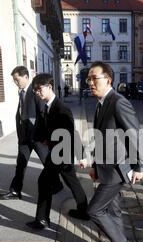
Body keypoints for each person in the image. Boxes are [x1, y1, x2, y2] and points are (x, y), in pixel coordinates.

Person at [86, 61, 143, 242]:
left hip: (116, 169)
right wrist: (95, 165)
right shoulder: (101, 103)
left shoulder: (118, 101)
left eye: (95, 78)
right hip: (104, 167)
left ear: (108, 79)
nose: (90, 83)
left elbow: (134, 134)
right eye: (89, 79)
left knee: (93, 210)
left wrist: (140, 166)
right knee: (113, 211)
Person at [26, 73, 89, 230]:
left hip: (60, 154)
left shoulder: (61, 109)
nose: (37, 92)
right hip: (56, 152)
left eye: (39, 89)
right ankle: (83, 211)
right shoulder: (47, 106)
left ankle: (42, 220)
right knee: (72, 182)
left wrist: (81, 156)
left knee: (44, 182)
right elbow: (43, 127)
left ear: (49, 87)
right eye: (35, 90)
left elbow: (72, 133)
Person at [0, 66, 62, 200]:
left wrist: (44, 134)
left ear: (26, 77)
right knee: (20, 164)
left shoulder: (35, 91)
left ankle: (57, 185)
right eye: (14, 80)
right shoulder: (21, 92)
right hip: (24, 137)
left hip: (37, 136)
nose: (15, 82)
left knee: (47, 161)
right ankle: (15, 190)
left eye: (17, 79)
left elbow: (42, 113)